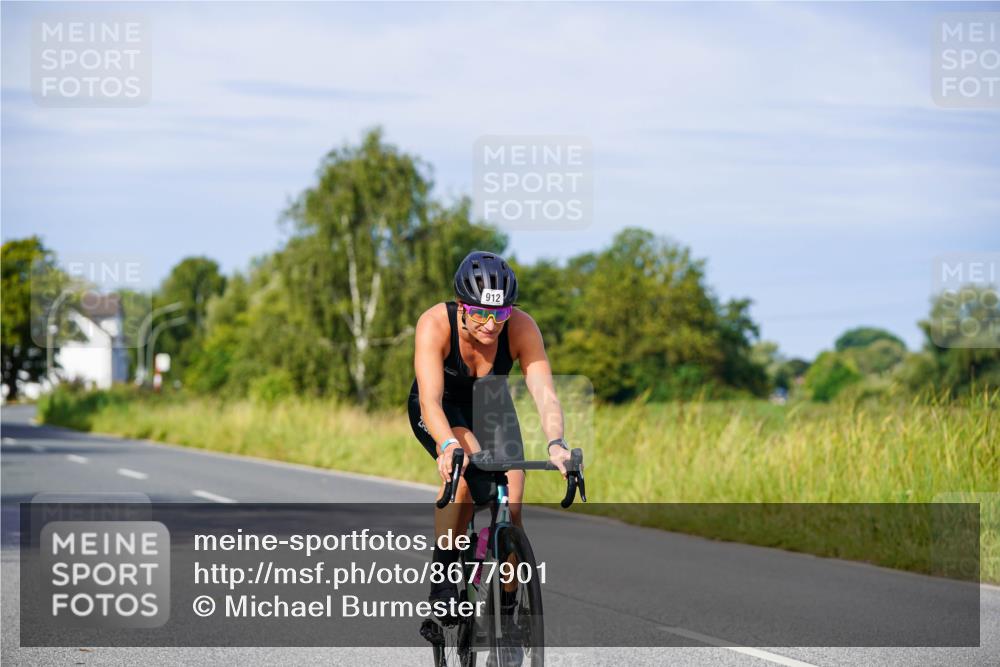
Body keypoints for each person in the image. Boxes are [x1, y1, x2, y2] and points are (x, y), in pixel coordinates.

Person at [408, 250, 572, 612]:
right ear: (461, 306)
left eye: (499, 313)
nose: (490, 324)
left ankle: (511, 613)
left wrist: (557, 443)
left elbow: (545, 394)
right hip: (442, 407)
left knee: (511, 506)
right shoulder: (435, 324)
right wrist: (447, 444)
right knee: (464, 471)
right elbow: (430, 402)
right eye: (481, 312)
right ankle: (443, 583)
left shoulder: (522, 326)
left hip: (491, 405)